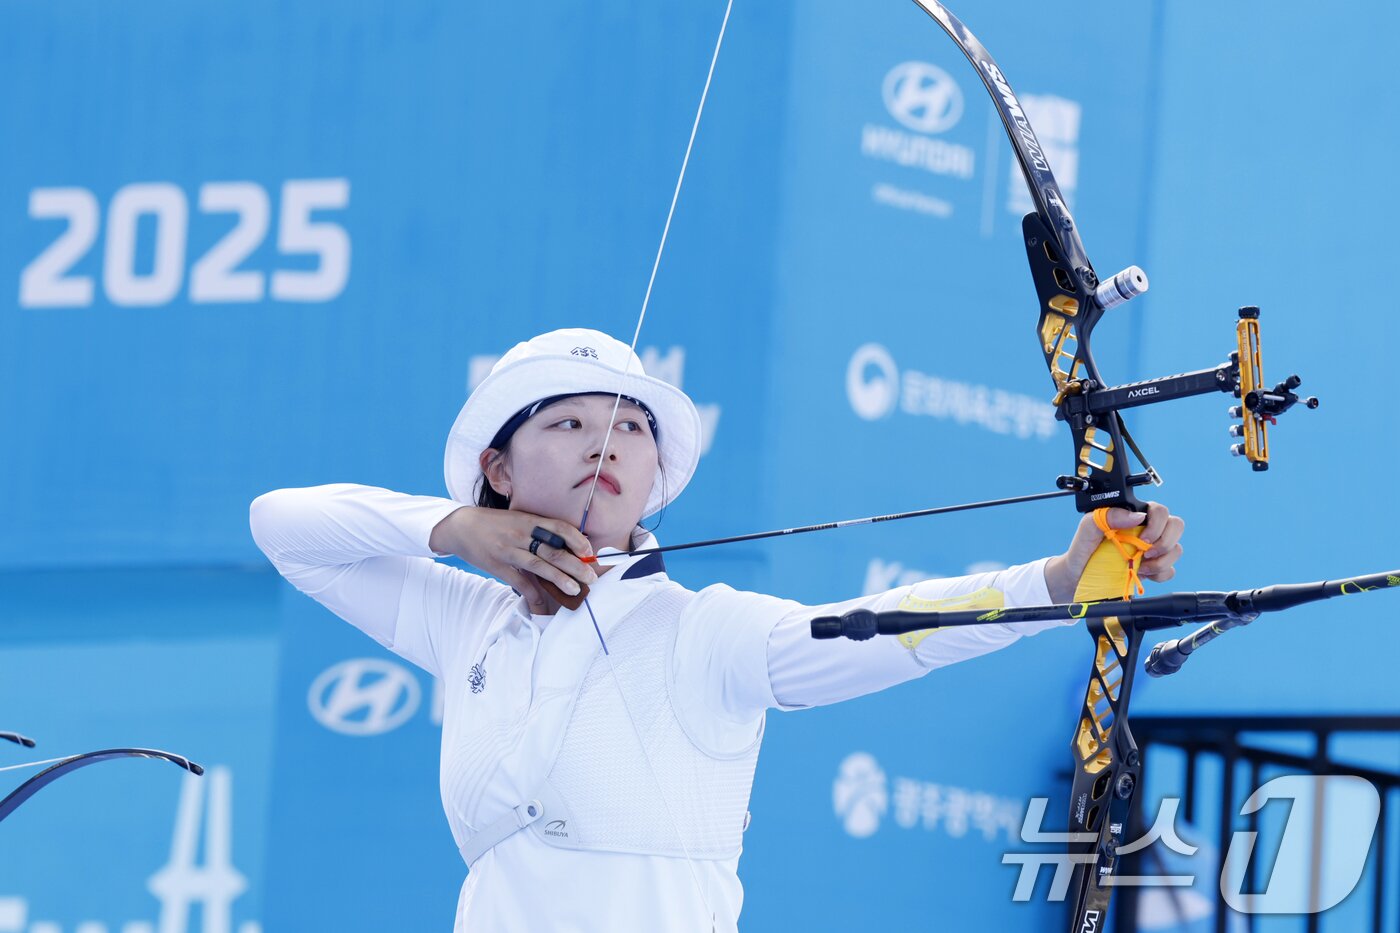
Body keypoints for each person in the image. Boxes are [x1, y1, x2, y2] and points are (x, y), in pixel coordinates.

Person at [249, 327, 1184, 932]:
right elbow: (283, 527)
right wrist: (455, 531)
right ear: (497, 465)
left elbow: (880, 630)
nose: (604, 443)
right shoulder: (469, 621)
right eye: (568, 423)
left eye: (629, 430)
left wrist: (1055, 583)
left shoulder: (703, 632)